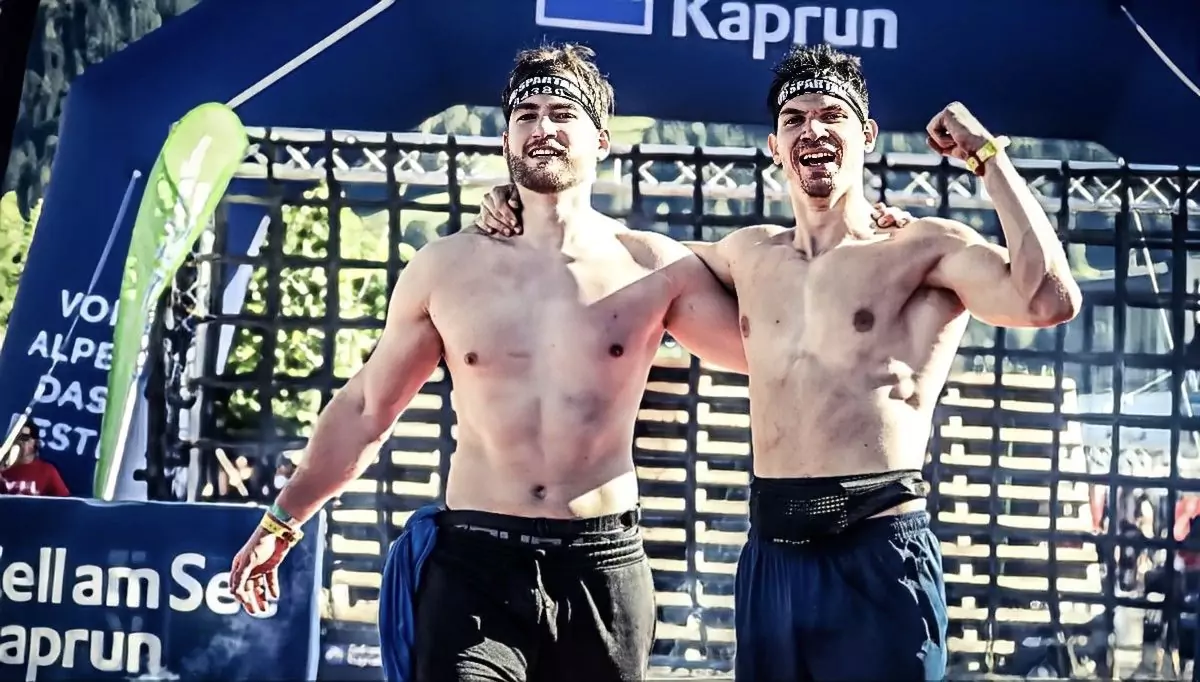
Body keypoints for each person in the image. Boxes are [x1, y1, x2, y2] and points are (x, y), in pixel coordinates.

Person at [474, 43, 1082, 681]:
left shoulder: (921, 248)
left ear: (867, 136)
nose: (812, 130)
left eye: (831, 115)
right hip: (774, 558)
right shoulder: (749, 255)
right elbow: (624, 256)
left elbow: (1048, 300)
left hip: (877, 551)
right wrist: (524, 197)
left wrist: (989, 158)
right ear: (774, 146)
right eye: (794, 119)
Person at [228, 43, 756, 682]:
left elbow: (771, 357)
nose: (542, 127)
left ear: (601, 139)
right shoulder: (447, 267)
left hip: (601, 566)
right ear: (506, 140)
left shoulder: (652, 266)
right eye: (526, 115)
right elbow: (367, 407)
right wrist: (284, 520)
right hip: (475, 566)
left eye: (562, 113)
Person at [0, 421, 69, 496]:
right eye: (15, 438)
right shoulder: (2, 468)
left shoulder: (46, 470)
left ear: (35, 442)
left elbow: (63, 500)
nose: (19, 441)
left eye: (24, 438)